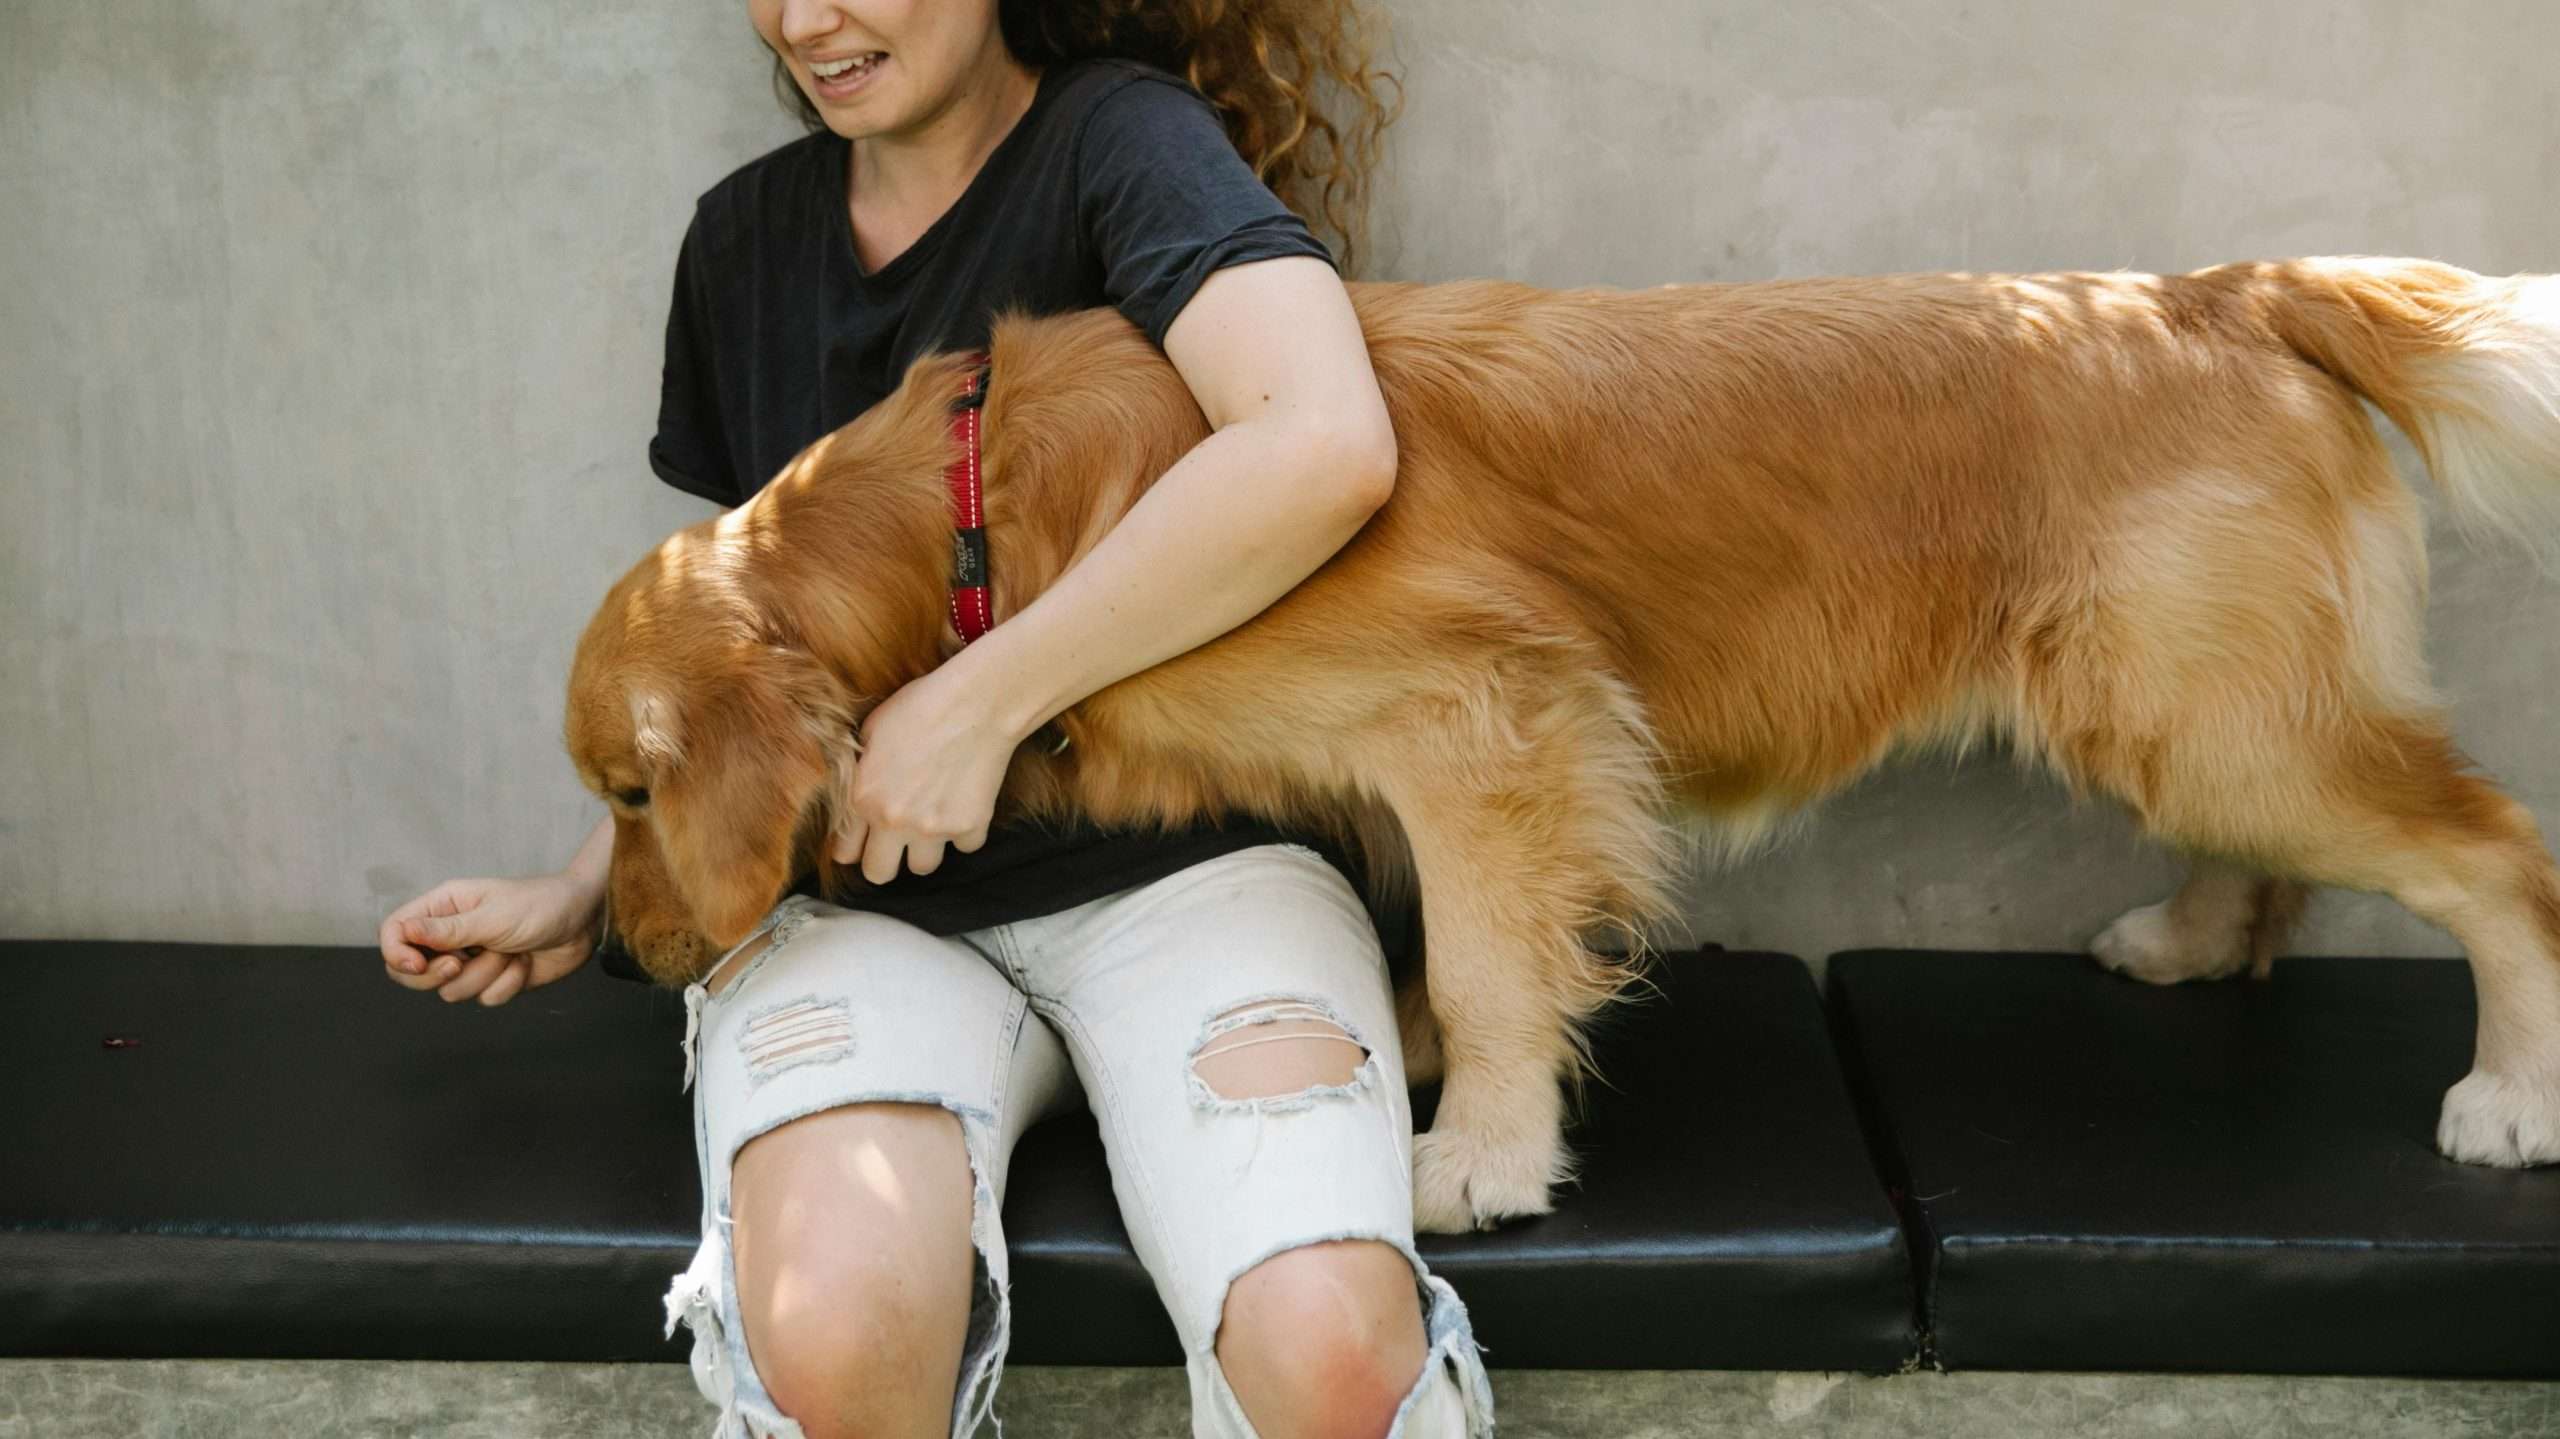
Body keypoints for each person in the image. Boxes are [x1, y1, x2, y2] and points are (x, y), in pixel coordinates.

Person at [376, 2, 1495, 1436]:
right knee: (833, 1334)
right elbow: (746, 682)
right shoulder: (744, 241)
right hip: (855, 923)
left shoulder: (1123, 141)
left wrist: (980, 702)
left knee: (1332, 1351)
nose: (805, 19)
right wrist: (589, 884)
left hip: (1195, 872)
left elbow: (1323, 440)